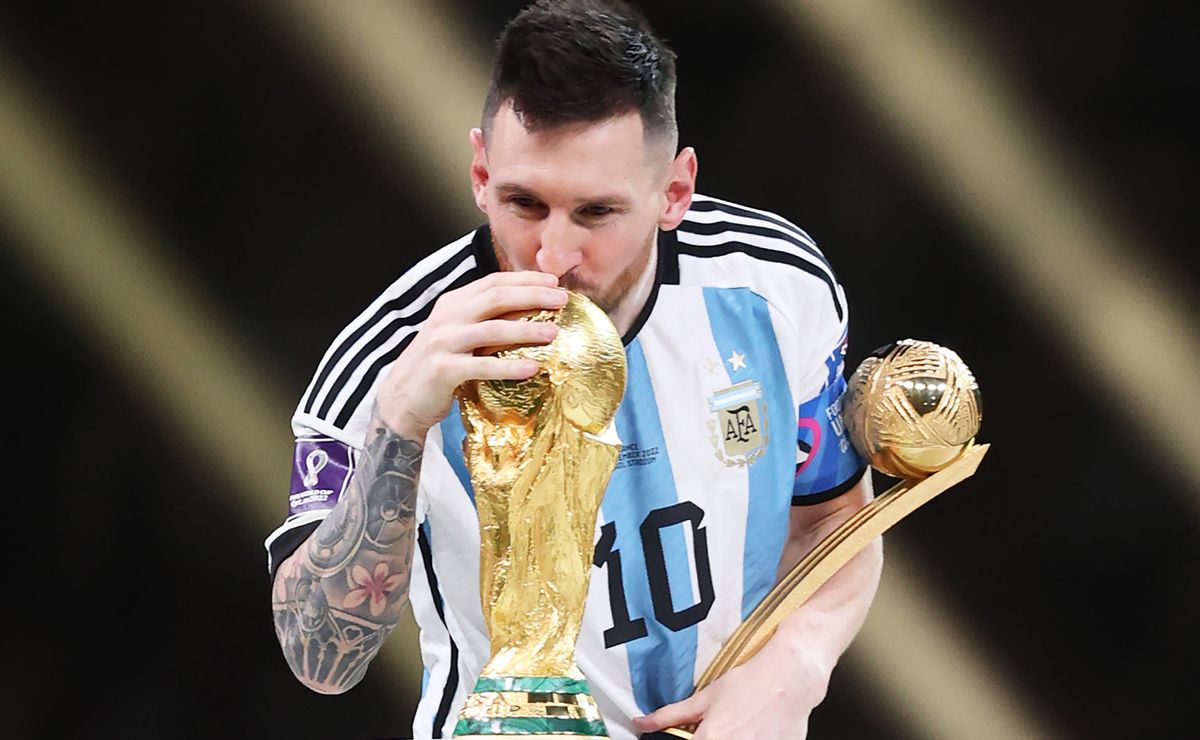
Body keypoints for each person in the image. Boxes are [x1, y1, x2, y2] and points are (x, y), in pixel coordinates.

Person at [266, 1, 882, 738]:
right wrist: (399, 424)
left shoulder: (777, 288)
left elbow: (833, 521)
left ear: (674, 193)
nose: (553, 255)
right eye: (523, 203)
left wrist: (798, 664)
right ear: (479, 173)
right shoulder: (386, 363)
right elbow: (319, 658)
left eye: (595, 213)